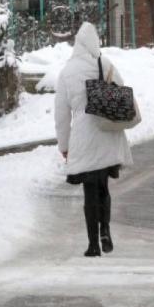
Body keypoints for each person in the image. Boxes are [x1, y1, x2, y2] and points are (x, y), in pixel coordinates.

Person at [54, 22, 134, 257]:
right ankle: (105, 231)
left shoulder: (67, 72)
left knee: (89, 190)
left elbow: (61, 115)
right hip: (107, 133)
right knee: (103, 187)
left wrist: (65, 146)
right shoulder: (105, 64)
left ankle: (92, 244)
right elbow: (121, 91)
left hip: (83, 137)